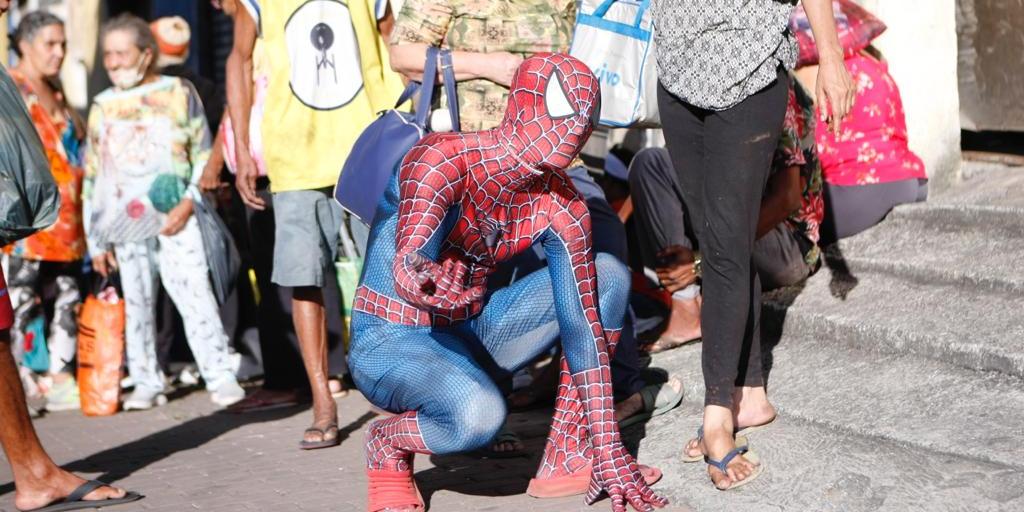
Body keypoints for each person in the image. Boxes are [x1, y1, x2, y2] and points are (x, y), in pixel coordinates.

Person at [351, 53, 666, 512]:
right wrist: (423, 276)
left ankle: (568, 455)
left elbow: (584, 330)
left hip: (472, 333)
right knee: (476, 416)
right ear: (522, 103)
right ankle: (386, 443)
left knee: (609, 276)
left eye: (587, 113)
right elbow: (409, 255)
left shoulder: (562, 202)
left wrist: (609, 449)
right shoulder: (441, 157)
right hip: (392, 336)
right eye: (566, 108)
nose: (577, 124)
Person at [653, 0, 853, 490]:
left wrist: (830, 56)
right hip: (677, 66)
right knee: (724, 242)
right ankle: (751, 393)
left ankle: (717, 414)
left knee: (722, 247)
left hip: (747, 64)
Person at [227, 0, 402, 448]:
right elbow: (240, 59)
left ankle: (398, 383)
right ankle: (323, 399)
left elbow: (394, 42)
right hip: (295, 154)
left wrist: (409, 123)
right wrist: (243, 146)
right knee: (303, 276)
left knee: (388, 271)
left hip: (370, 143)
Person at [0, 3, 142, 510]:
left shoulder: (54, 89)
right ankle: (35, 473)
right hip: (32, 235)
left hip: (60, 228)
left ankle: (34, 471)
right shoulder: (14, 79)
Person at [83, 13, 244, 411]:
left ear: (147, 53)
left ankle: (219, 374)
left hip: (177, 214)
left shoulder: (179, 91)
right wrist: (95, 237)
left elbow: (202, 150)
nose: (115, 62)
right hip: (124, 221)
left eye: (123, 53)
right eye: (108, 55)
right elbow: (93, 175)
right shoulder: (102, 105)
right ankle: (145, 380)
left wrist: (190, 200)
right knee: (137, 301)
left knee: (194, 291)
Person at [216, 0, 352, 416]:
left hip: (285, 155)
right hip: (285, 155)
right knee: (304, 267)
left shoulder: (259, 19)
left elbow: (244, 83)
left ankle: (303, 378)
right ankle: (322, 381)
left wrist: (227, 159)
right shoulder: (260, 18)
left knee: (294, 269)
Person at [630, 76, 824, 353]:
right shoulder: (702, 79)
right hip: (727, 226)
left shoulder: (770, 81)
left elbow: (787, 199)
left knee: (670, 172)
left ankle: (693, 291)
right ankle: (686, 306)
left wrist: (700, 261)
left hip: (785, 243)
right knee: (650, 164)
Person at [1, 11, 86, 412]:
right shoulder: (11, 85)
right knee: (23, 303)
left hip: (68, 222)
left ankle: (60, 375)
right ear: (24, 45)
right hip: (27, 223)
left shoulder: (56, 89)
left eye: (63, 44)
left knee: (68, 297)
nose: (59, 53)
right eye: (50, 44)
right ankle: (27, 382)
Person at [790, 3, 928, 243]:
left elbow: (807, 155)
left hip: (855, 195)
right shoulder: (875, 65)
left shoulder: (812, 76)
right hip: (912, 182)